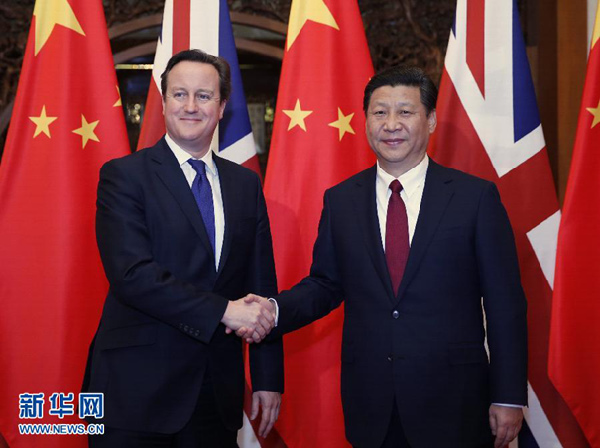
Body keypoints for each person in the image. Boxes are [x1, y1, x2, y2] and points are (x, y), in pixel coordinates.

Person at [241, 66, 527, 448]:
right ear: (366, 122)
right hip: (372, 403)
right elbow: (325, 284)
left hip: (454, 401)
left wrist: (507, 395)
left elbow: (505, 304)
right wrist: (273, 311)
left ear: (431, 121)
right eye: (379, 112)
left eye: (405, 112)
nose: (391, 124)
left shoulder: (475, 199)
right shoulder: (341, 200)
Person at [83, 49, 283, 447]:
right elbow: (132, 276)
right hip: (134, 394)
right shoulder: (124, 177)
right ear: (164, 100)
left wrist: (267, 378)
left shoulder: (245, 186)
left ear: (222, 106)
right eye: (179, 94)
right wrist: (224, 310)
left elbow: (261, 285)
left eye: (204, 96)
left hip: (215, 395)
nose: (191, 106)